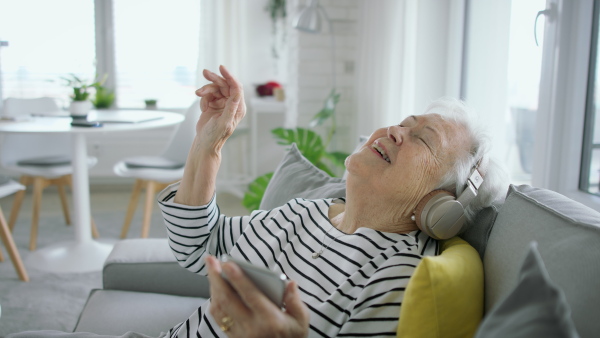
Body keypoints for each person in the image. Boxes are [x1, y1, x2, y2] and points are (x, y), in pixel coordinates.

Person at [156, 65, 507, 338]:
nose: (394, 131)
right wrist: (209, 143)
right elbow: (198, 245)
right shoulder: (303, 213)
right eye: (403, 123)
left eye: (423, 140)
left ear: (441, 205)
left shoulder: (395, 274)